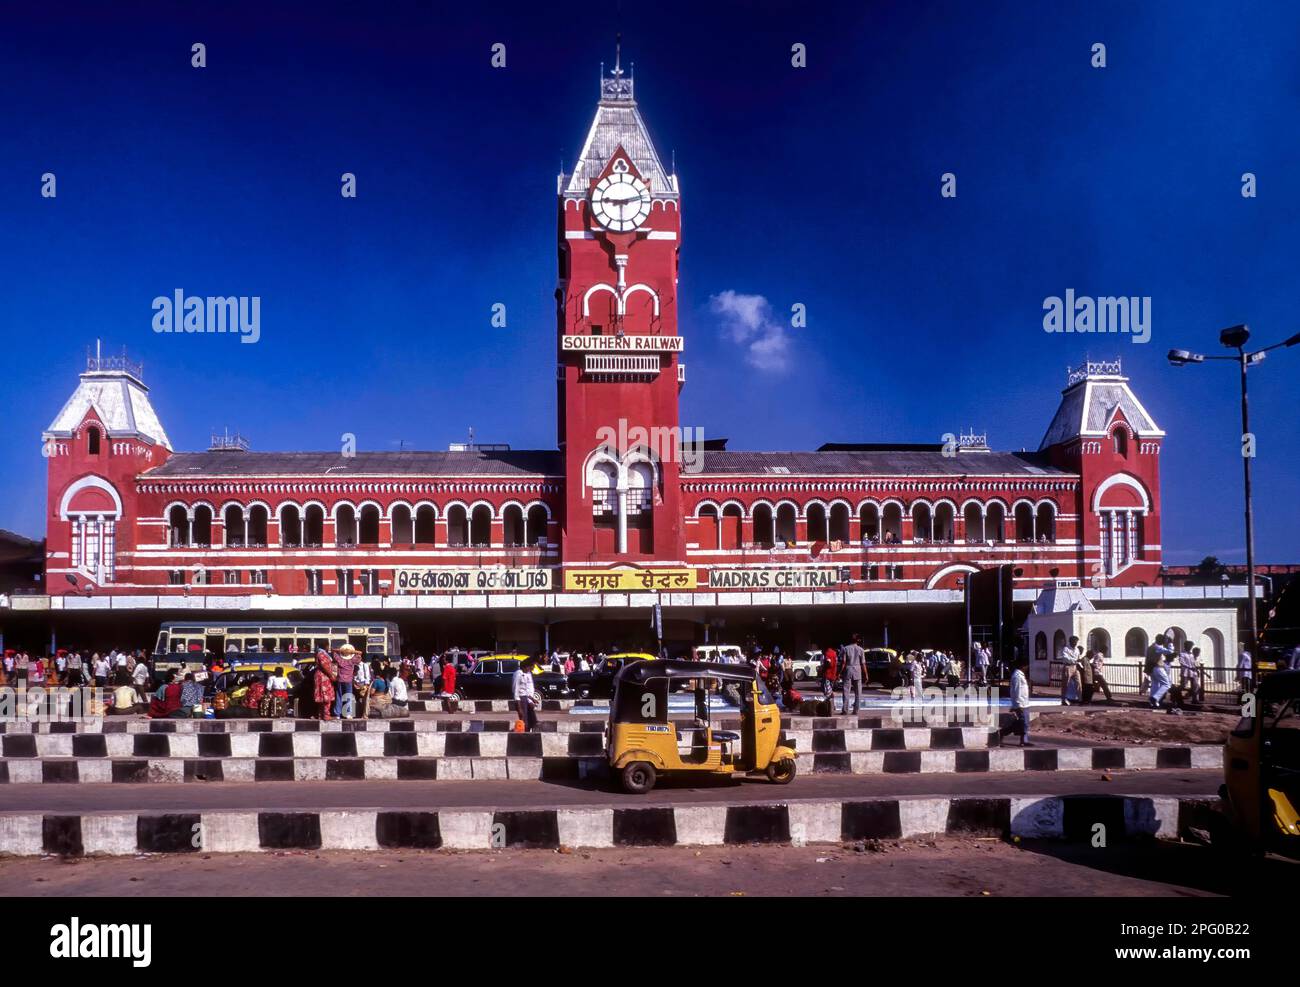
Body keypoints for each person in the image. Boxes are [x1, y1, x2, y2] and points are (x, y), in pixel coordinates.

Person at [1000, 659, 1032, 745]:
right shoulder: (1017, 676)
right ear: (1023, 666)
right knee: (1023, 723)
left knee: (1023, 723)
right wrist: (1018, 705)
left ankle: (1023, 740)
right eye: (1026, 666)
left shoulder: (1020, 675)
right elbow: (1016, 691)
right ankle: (1003, 733)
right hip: (1021, 704)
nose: (1027, 668)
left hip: (1024, 703)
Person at [839, 633, 866, 715]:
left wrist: (839, 672)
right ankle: (856, 710)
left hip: (848, 670)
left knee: (846, 691)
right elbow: (863, 663)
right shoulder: (861, 650)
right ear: (858, 640)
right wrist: (866, 674)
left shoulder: (845, 649)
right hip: (857, 670)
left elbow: (843, 662)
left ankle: (845, 710)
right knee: (858, 692)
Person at [333, 645, 360, 718]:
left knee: (339, 695)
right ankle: (348, 714)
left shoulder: (339, 659)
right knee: (349, 696)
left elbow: (334, 652)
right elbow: (359, 655)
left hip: (340, 680)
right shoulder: (352, 660)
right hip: (348, 680)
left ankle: (337, 714)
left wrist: (341, 650)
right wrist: (353, 652)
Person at [513, 656, 539, 732]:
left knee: (530, 720)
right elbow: (516, 691)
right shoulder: (518, 674)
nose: (531, 670)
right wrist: (519, 707)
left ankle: (527, 734)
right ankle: (524, 738)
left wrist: (532, 699)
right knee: (524, 722)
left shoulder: (524, 674)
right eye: (531, 667)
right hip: (520, 700)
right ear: (526, 666)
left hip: (525, 698)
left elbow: (525, 691)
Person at [314, 649, 338, 721]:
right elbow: (325, 666)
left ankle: (321, 714)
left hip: (321, 676)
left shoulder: (320, 653)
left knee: (322, 696)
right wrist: (331, 675)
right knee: (326, 696)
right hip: (324, 676)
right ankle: (326, 715)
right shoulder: (322, 654)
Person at [1059, 636, 1083, 706]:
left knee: (1078, 683)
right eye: (1074, 641)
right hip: (1068, 666)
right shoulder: (1066, 649)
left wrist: (1080, 665)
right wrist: (1074, 660)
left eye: (1076, 642)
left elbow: (1079, 658)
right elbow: (1065, 658)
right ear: (1070, 641)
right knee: (1065, 684)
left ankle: (1080, 699)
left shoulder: (1077, 650)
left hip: (1075, 667)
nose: (1075, 643)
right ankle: (1063, 699)